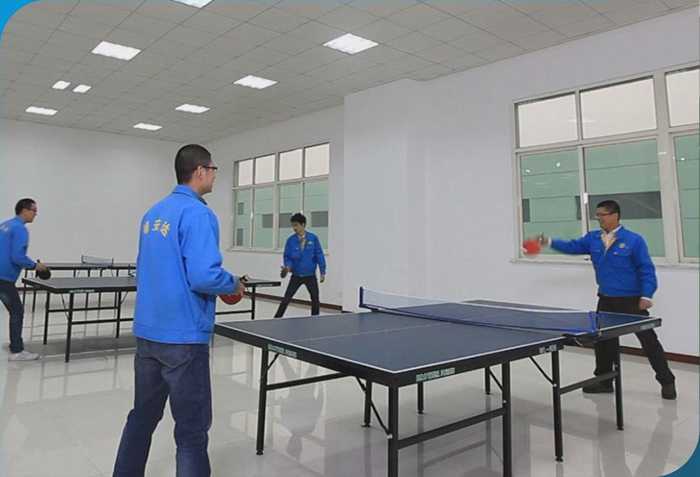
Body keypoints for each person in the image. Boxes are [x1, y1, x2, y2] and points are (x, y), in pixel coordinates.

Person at [113, 145, 245, 477]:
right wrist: (233, 284)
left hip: (148, 333)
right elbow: (204, 275)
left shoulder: (152, 214)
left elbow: (145, 267)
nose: (215, 175)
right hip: (184, 338)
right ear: (200, 171)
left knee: (141, 418)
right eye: (213, 169)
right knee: (191, 431)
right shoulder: (198, 213)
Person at [535, 200, 676, 400]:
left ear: (614, 215)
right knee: (603, 342)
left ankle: (667, 381)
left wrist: (646, 295)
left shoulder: (633, 240)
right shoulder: (593, 239)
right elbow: (572, 246)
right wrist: (549, 241)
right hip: (606, 300)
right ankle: (604, 381)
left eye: (602, 214)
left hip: (631, 301)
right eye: (598, 215)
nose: (599, 218)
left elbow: (646, 269)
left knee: (649, 342)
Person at [0, 198, 48, 361]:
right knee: (17, 312)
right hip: (3, 278)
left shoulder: (4, 225)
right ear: (25, 210)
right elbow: (17, 256)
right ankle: (17, 351)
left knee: (14, 311)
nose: (35, 214)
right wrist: (35, 265)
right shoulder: (20, 229)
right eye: (34, 210)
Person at [274, 213, 326, 318]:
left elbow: (319, 255)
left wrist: (322, 272)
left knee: (315, 299)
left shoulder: (313, 238)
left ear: (303, 225)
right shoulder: (290, 240)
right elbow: (287, 257)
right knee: (286, 298)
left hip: (310, 276)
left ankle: (315, 320)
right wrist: (288, 267)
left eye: (296, 225)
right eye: (293, 225)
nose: (294, 228)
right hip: (296, 276)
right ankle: (277, 318)